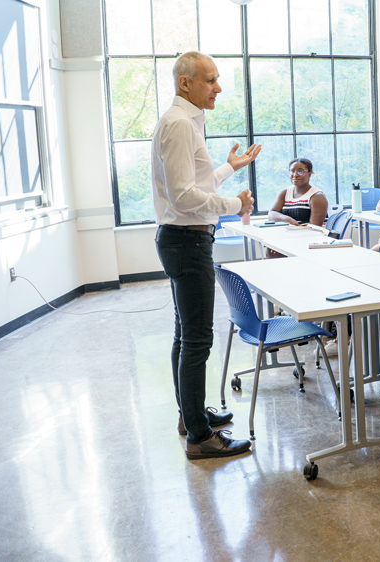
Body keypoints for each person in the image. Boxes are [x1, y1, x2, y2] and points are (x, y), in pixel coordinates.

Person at [152, 51, 259, 459]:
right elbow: (183, 196)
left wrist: (228, 168)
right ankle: (199, 436)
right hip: (187, 239)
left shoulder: (183, 122)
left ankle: (190, 415)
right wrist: (235, 204)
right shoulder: (179, 125)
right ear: (186, 83)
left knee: (186, 334)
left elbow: (192, 183)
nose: (218, 87)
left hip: (183, 237)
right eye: (211, 80)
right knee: (197, 339)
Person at [268, 158, 328, 226]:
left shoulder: (317, 196)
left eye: (300, 171)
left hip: (309, 235)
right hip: (289, 234)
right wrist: (287, 219)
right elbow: (271, 214)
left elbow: (314, 228)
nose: (295, 175)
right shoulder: (284, 193)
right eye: (292, 171)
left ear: (309, 174)